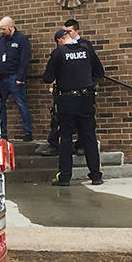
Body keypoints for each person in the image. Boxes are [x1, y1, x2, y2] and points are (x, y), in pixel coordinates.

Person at [42, 25, 105, 185]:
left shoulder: (58, 53)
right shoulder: (87, 49)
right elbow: (99, 72)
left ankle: (64, 177)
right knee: (89, 137)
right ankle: (96, 176)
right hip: (86, 99)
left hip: (67, 101)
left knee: (66, 139)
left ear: (60, 41)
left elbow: (47, 78)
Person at [37, 18, 91, 156]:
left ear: (76, 31)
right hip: (76, 93)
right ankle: (56, 144)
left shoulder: (84, 46)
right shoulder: (82, 48)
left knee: (72, 129)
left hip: (74, 94)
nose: (66, 33)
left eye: (69, 31)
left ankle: (79, 147)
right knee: (61, 123)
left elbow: (48, 76)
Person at [0, 16, 33, 140]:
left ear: (10, 27)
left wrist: (20, 77)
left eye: (3, 29)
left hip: (15, 77)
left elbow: (24, 60)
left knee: (22, 105)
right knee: (0, 106)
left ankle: (27, 133)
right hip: (3, 78)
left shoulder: (21, 39)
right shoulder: (1, 39)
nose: (1, 31)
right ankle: (2, 134)